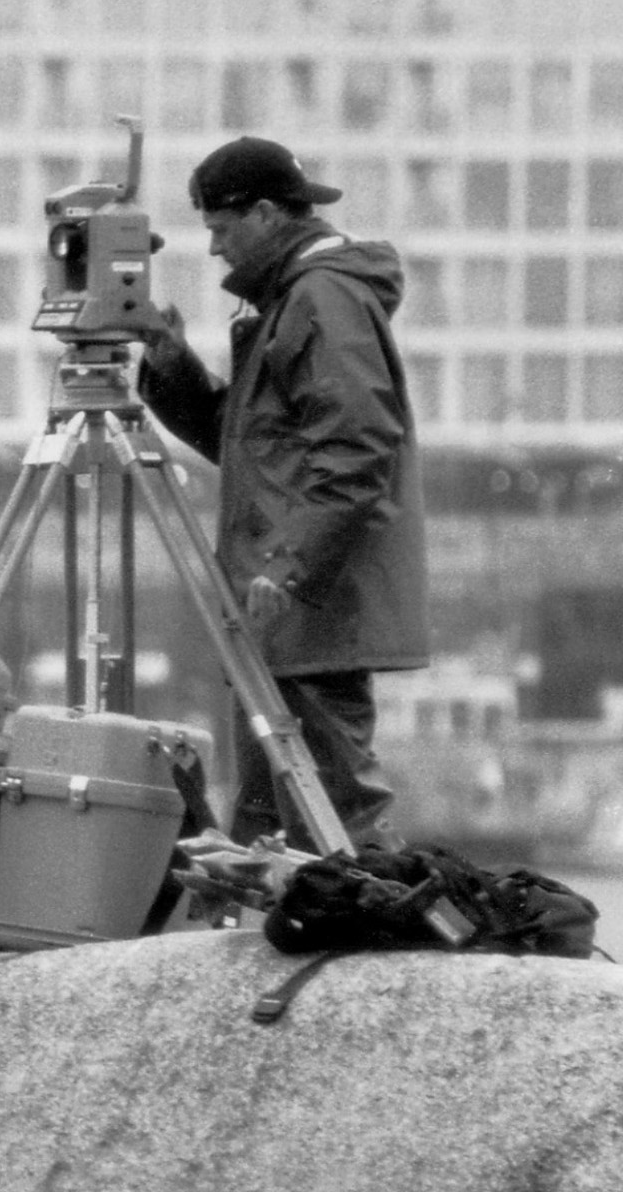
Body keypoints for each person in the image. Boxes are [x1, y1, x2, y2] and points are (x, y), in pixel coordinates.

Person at [139, 135, 432, 849]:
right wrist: (172, 366)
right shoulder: (295, 299)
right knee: (272, 825)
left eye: (221, 228)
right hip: (286, 609)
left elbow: (357, 445)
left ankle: (370, 918)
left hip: (307, 608)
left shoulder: (321, 298)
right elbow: (252, 446)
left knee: (334, 815)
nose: (215, 249)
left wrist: (289, 567)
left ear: (267, 214)